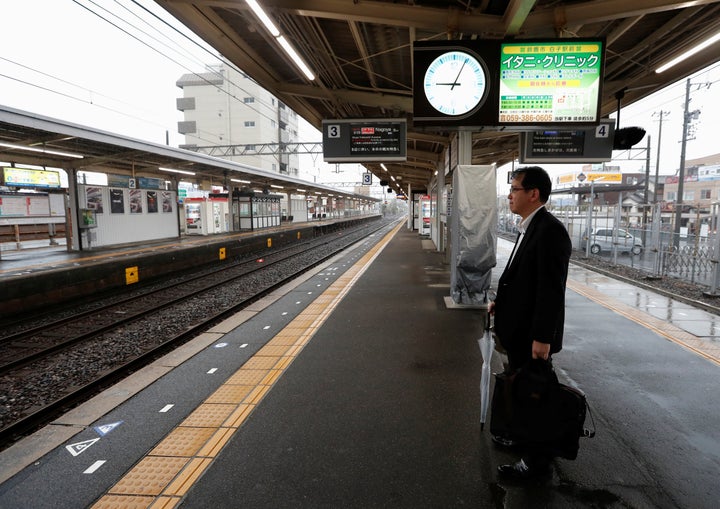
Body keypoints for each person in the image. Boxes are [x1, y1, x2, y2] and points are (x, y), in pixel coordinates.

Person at [489, 166, 572, 480]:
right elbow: (523, 279)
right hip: (520, 331)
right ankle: (522, 439)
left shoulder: (550, 231)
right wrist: (502, 301)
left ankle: (535, 465)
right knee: (522, 392)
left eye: (515, 189)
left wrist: (542, 338)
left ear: (533, 193)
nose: (510, 195)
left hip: (531, 337)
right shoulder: (532, 226)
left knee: (534, 398)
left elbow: (550, 291)